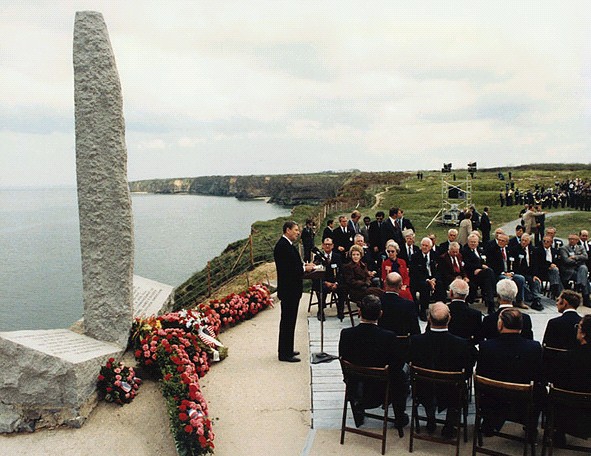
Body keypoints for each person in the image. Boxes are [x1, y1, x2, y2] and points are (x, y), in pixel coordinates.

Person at [339, 295, 409, 429]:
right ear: (380, 314)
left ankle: (358, 412)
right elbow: (397, 365)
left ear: (359, 312)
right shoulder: (388, 337)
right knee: (402, 373)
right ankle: (400, 416)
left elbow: (343, 358)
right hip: (383, 391)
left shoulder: (346, 334)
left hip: (356, 387)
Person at [476, 308, 544, 438]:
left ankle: (489, 423)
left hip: (493, 401)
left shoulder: (486, 347)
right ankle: (531, 427)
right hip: (523, 402)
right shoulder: (534, 347)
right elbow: (538, 376)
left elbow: (481, 374)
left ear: (500, 325)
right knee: (539, 390)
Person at [409, 302, 473, 439]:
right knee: (459, 386)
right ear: (449, 319)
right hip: (452, 391)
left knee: (425, 384)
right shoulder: (462, 344)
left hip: (424, 389)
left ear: (429, 319)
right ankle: (449, 426)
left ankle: (430, 420)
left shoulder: (415, 341)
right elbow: (468, 369)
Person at [274, 221, 315, 362]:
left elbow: (294, 264)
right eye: (296, 230)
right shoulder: (282, 247)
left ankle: (288, 349)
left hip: (291, 290)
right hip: (288, 290)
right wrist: (305, 269)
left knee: (290, 321)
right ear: (287, 230)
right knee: (287, 321)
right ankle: (284, 354)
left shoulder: (287, 245)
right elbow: (289, 270)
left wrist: (304, 265)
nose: (298, 232)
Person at [550, 314, 591, 447]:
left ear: (583, 334)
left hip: (568, 412)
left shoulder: (566, 358)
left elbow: (555, 382)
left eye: (578, 327)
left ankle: (558, 433)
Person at [484, 233, 527, 309]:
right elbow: (491, 265)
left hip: (510, 272)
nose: (500, 242)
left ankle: (519, 301)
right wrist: (504, 273)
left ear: (507, 242)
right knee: (505, 279)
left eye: (502, 241)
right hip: (499, 273)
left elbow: (515, 263)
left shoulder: (510, 250)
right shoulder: (493, 250)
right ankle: (503, 300)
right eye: (499, 240)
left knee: (520, 278)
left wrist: (511, 272)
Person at [312, 237, 346, 321]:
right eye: (325, 244)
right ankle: (320, 311)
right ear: (322, 246)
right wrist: (325, 282)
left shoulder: (337, 257)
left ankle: (340, 310)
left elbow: (341, 272)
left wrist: (336, 283)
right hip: (323, 282)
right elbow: (315, 273)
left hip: (335, 281)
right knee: (320, 289)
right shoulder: (318, 257)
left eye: (329, 244)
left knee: (343, 288)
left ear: (333, 246)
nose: (327, 246)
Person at [462, 233, 496, 314]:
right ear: (468, 242)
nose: (473, 244)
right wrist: (480, 266)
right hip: (471, 274)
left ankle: (490, 302)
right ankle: (491, 302)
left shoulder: (479, 250)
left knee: (488, 277)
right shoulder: (465, 251)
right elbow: (467, 264)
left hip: (481, 274)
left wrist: (480, 269)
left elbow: (486, 262)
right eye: (471, 242)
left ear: (478, 243)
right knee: (489, 272)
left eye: (475, 242)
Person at [379, 272, 420, 337]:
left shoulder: (377, 303)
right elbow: (415, 331)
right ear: (401, 285)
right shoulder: (409, 305)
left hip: (380, 343)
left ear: (385, 283)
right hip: (402, 344)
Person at [510, 233, 543, 311]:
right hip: (519, 272)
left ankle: (536, 300)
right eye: (522, 240)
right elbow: (513, 264)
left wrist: (535, 274)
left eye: (525, 241)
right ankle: (529, 298)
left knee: (535, 281)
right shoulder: (515, 249)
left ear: (529, 241)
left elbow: (535, 263)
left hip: (529, 272)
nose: (523, 242)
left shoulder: (533, 250)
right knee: (521, 281)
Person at [410, 237, 438, 321]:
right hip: (420, 279)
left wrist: (434, 279)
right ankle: (423, 311)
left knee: (440, 285)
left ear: (430, 247)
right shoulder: (415, 256)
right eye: (423, 245)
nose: (424, 247)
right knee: (424, 286)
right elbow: (414, 272)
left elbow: (438, 270)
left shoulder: (435, 255)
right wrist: (427, 280)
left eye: (426, 245)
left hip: (432, 277)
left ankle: (440, 310)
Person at [447, 278, 483, 344]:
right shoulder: (476, 314)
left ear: (451, 293)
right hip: (467, 350)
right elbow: (479, 338)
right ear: (467, 294)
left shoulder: (443, 312)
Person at [559, 233, 590, 307]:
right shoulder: (564, 248)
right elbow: (566, 260)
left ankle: (580, 284)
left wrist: (575, 257)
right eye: (570, 239)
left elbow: (586, 257)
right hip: (569, 271)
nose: (571, 241)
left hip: (579, 270)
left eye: (574, 239)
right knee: (584, 277)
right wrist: (579, 260)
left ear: (577, 240)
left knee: (583, 268)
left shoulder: (581, 247)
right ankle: (585, 297)